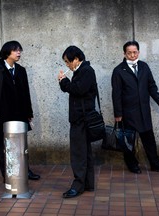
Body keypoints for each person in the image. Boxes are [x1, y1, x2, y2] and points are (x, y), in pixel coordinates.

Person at [0, 40, 40, 182]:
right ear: (7, 52)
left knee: (22, 145)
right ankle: (8, 175)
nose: (19, 52)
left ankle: (25, 171)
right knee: (5, 146)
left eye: (20, 50)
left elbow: (26, 93)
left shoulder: (21, 70)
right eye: (15, 50)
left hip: (19, 114)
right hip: (3, 115)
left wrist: (29, 113)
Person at [111, 40, 159, 174]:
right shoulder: (118, 71)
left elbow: (151, 85)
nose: (132, 55)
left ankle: (155, 164)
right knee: (129, 141)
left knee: (149, 140)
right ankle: (132, 164)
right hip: (128, 112)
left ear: (138, 52)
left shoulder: (144, 67)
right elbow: (116, 94)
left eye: (135, 52)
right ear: (124, 54)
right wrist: (118, 114)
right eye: (129, 53)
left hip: (143, 111)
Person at [58, 46, 97, 198]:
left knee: (78, 153)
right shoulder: (81, 71)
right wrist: (64, 82)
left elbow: (78, 89)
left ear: (76, 59)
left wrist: (64, 81)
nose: (67, 65)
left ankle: (78, 185)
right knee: (84, 152)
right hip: (81, 118)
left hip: (81, 119)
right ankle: (87, 184)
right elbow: (74, 89)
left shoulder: (86, 71)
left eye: (68, 62)